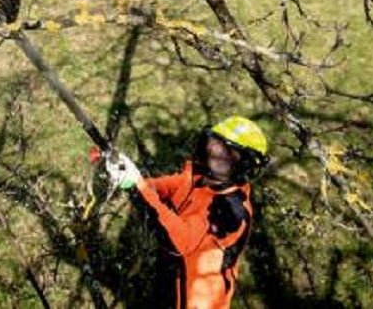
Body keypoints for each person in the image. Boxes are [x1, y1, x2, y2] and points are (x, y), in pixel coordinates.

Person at [106, 116, 269, 309]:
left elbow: (179, 240)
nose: (216, 153)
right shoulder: (202, 176)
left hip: (196, 300)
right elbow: (168, 187)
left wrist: (138, 187)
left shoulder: (229, 213)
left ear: (244, 165)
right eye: (215, 143)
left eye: (229, 152)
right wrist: (130, 177)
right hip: (171, 277)